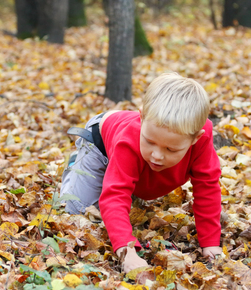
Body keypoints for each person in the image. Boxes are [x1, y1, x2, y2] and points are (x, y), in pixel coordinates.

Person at [60, 72, 222, 273]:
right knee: (77, 210)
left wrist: (211, 244)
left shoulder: (201, 139)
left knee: (131, 182)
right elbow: (115, 196)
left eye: (171, 149)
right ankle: (79, 165)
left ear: (195, 138)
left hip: (137, 155)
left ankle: (124, 172)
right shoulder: (128, 141)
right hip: (100, 143)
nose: (157, 156)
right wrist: (127, 252)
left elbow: (207, 189)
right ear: (142, 117)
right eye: (150, 142)